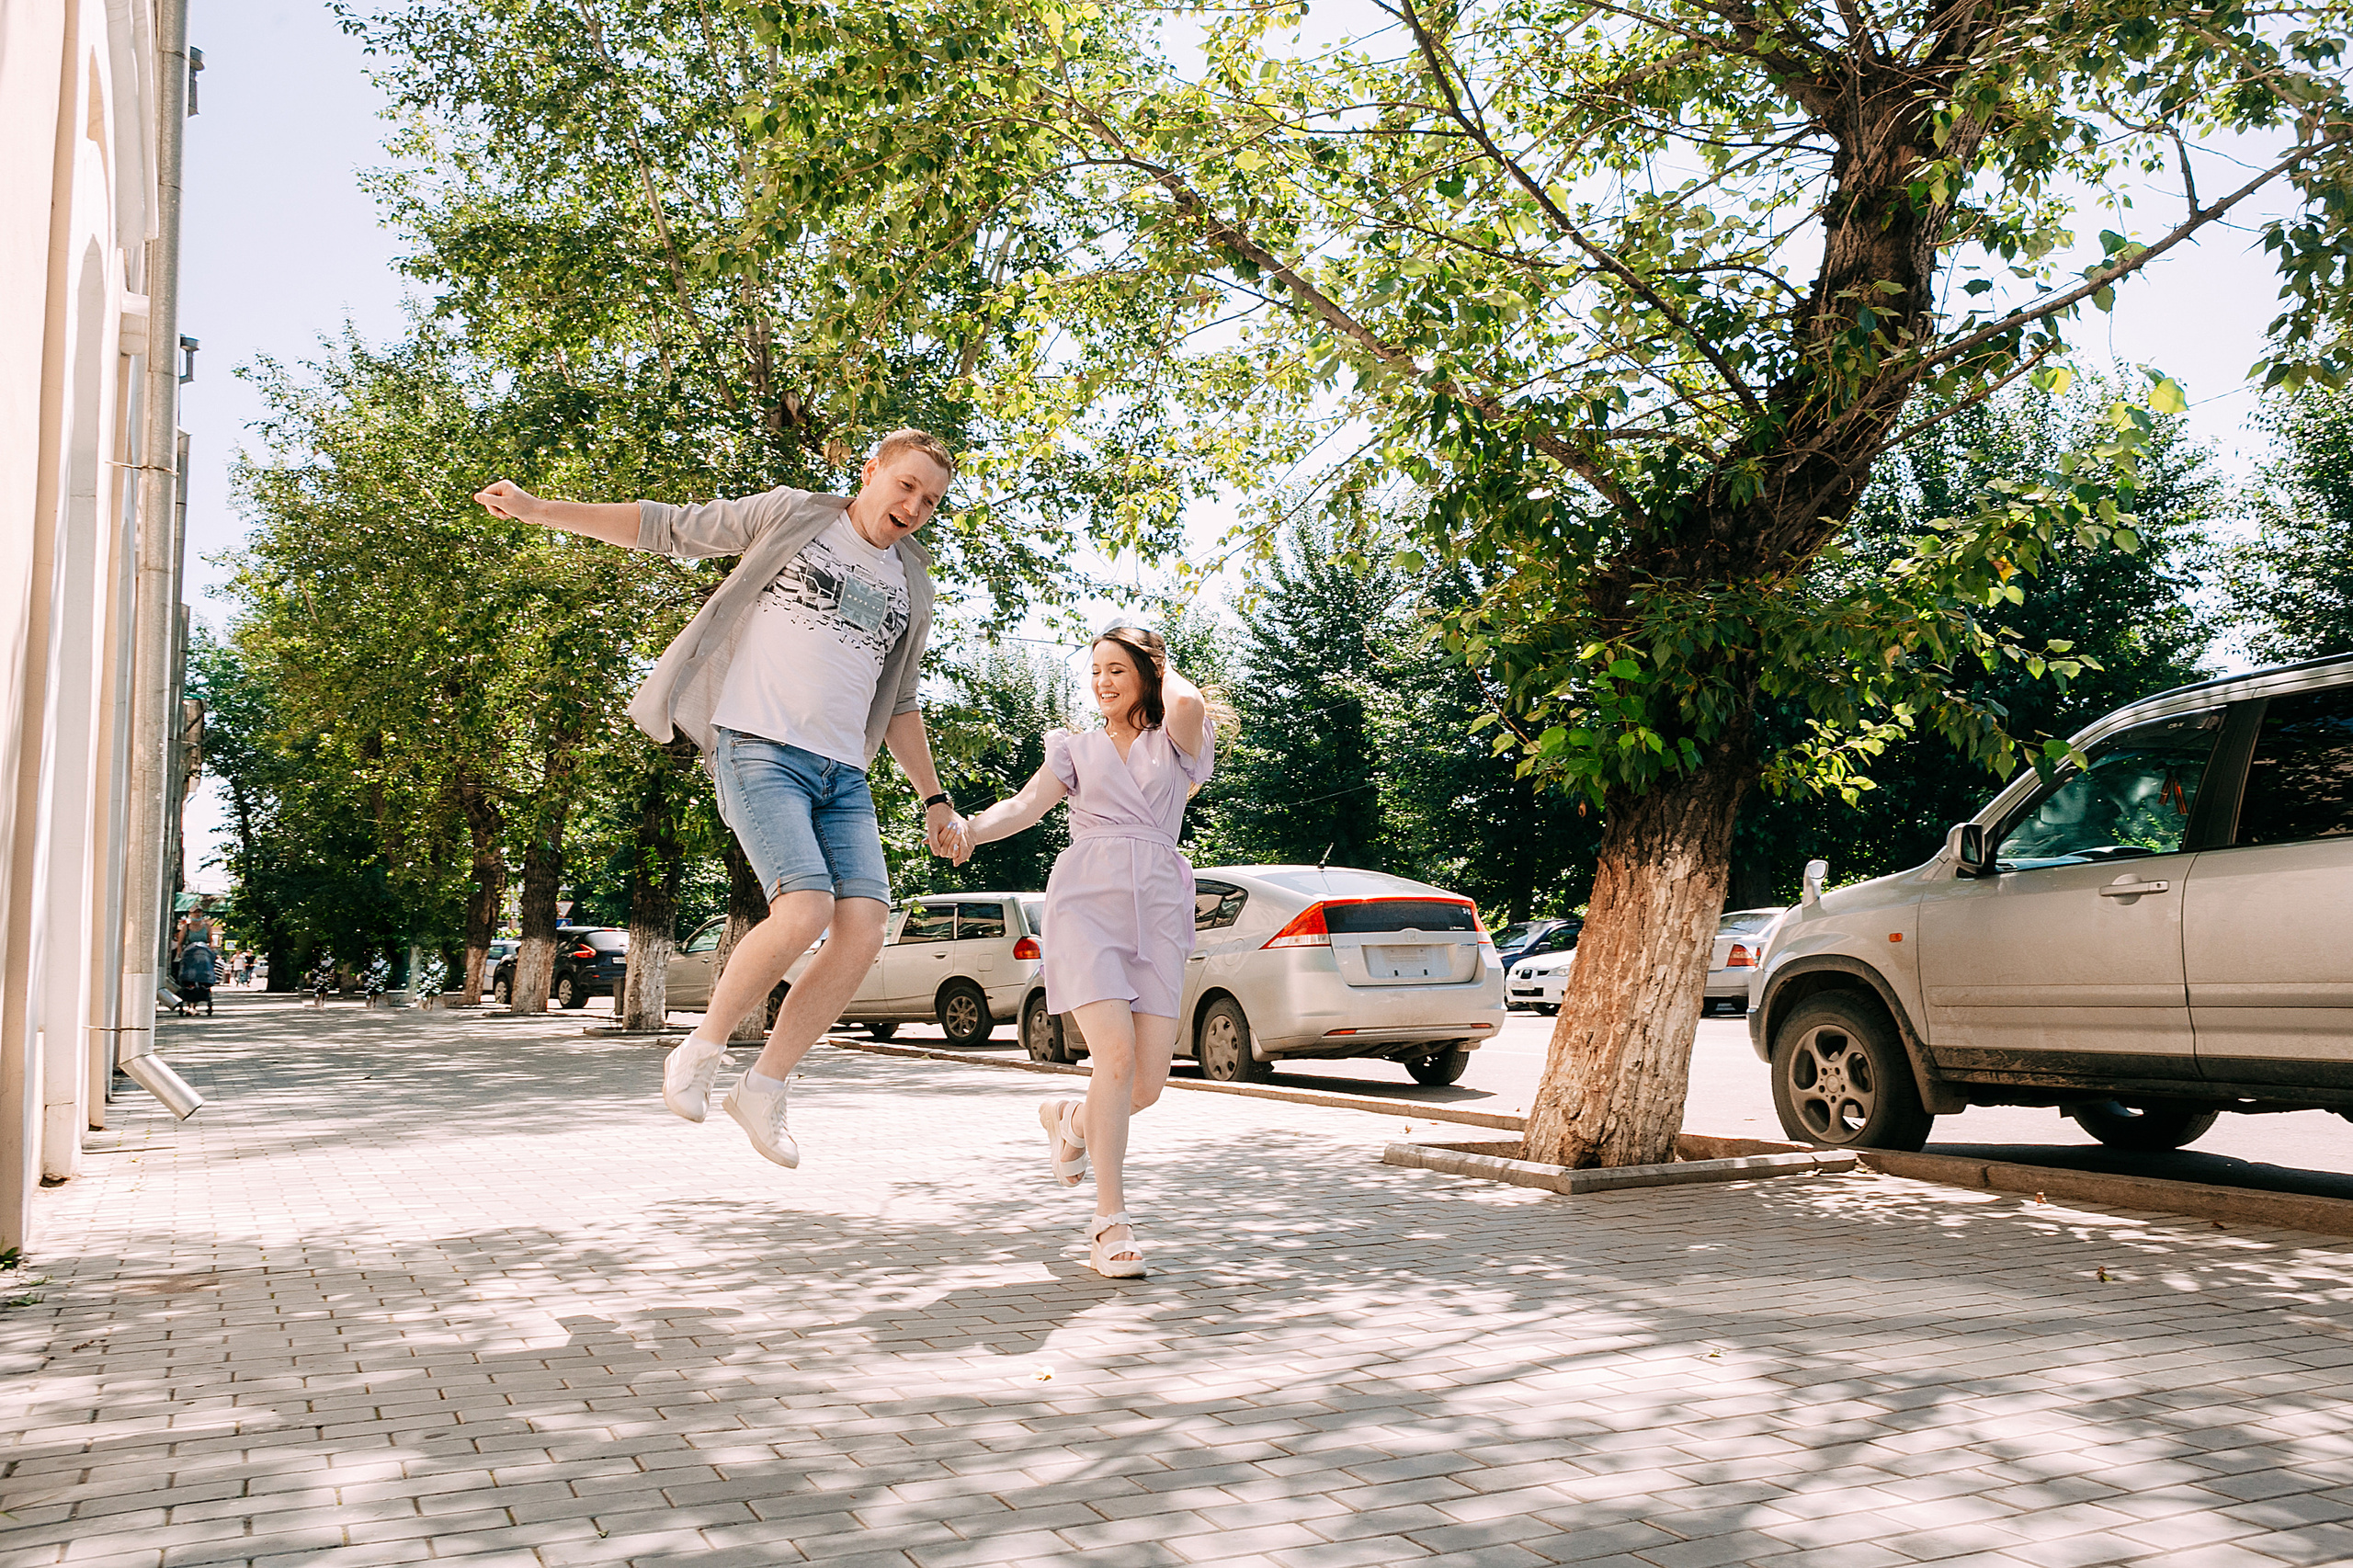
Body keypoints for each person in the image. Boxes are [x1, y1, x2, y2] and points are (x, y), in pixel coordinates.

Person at [473, 432, 968, 1168]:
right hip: (759, 747)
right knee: (805, 909)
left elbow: (899, 702)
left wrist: (934, 798)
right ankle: (700, 1049)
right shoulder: (794, 516)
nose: (913, 507)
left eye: (930, 500)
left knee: (863, 929)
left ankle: (764, 1087)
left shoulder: (912, 582)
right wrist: (541, 509)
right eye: (905, 486)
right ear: (869, 472)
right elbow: (669, 528)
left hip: (843, 774)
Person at [956, 626, 1222, 1277]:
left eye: (1117, 671)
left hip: (1157, 910)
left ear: (1151, 676)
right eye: (1095, 671)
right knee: (1117, 1056)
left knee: (1147, 1086)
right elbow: (1023, 806)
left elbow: (1185, 704)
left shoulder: (1177, 740)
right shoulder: (1075, 748)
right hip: (1085, 906)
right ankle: (1110, 1224)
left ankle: (1070, 1120)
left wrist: (1163, 664)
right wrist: (967, 831)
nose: (1102, 682)